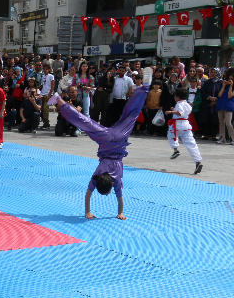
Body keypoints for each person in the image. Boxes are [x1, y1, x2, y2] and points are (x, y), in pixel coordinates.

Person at [55, 86, 148, 220]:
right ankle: (59, 100)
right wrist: (87, 211)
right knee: (85, 123)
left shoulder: (115, 180)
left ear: (110, 184)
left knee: (132, 114)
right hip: (105, 139)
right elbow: (88, 194)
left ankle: (144, 88)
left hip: (120, 137)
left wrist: (120, 213)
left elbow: (120, 198)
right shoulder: (96, 176)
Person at [167, 87, 203, 174]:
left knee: (171, 136)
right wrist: (174, 110)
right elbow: (182, 112)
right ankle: (198, 161)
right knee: (191, 144)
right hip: (186, 125)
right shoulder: (187, 104)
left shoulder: (179, 103)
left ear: (177, 97)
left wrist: (170, 112)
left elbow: (180, 112)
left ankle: (176, 150)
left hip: (178, 125)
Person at [215, 72, 234, 144]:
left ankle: (232, 138)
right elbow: (219, 95)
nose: (230, 80)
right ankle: (222, 137)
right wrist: (223, 86)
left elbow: (230, 96)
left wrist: (231, 86)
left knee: (228, 123)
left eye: (231, 79)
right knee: (221, 123)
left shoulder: (232, 88)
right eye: (229, 79)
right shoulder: (224, 87)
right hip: (221, 105)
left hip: (228, 106)